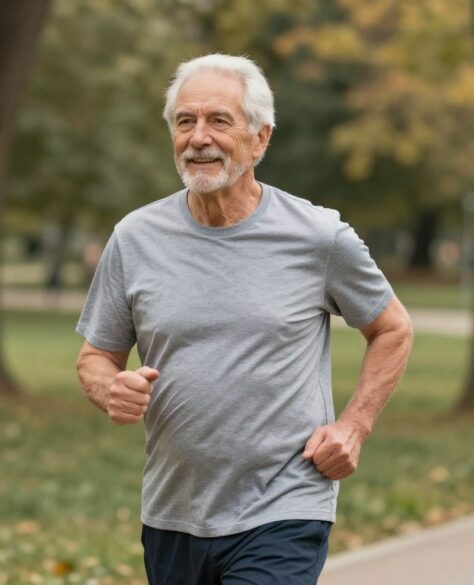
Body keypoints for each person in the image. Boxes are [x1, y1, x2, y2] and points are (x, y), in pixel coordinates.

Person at [74, 54, 414, 585]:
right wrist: (110, 388)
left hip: (286, 502)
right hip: (173, 512)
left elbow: (392, 328)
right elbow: (96, 357)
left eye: (219, 121)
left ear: (260, 139)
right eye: (185, 121)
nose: (198, 137)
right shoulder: (135, 238)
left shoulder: (317, 236)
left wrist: (354, 426)